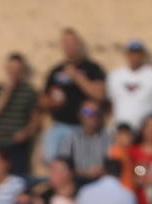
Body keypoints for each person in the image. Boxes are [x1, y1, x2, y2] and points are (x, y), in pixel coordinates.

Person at [39, 28, 105, 164]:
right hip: (60, 126)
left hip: (85, 130)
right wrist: (52, 102)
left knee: (83, 165)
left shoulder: (92, 68)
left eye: (72, 43)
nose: (69, 46)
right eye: (66, 43)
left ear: (79, 44)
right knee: (52, 162)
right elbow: (42, 101)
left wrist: (77, 77)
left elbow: (100, 95)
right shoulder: (56, 70)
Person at [0, 53, 40, 176]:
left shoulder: (29, 91)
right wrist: (7, 91)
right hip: (0, 143)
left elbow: (36, 121)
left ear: (22, 71)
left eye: (17, 69)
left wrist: (26, 133)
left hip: (19, 145)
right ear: (6, 69)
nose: (14, 72)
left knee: (18, 179)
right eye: (11, 69)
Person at [106, 39, 152, 132]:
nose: (135, 56)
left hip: (143, 134)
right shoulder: (115, 76)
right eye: (132, 53)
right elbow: (109, 103)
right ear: (126, 54)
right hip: (120, 131)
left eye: (138, 53)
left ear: (143, 55)